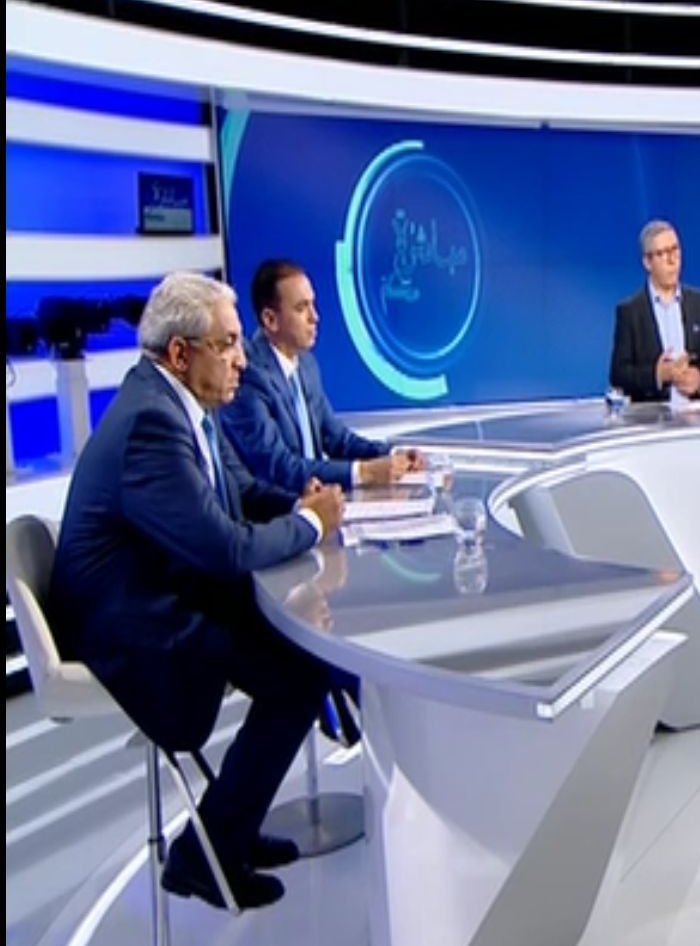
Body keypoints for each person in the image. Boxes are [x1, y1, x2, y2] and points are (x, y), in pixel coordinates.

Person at [50, 272, 348, 909]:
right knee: (296, 676)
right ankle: (205, 856)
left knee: (301, 653)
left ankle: (227, 834)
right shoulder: (152, 424)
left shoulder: (184, 404)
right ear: (181, 353)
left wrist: (302, 504)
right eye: (228, 344)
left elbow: (240, 495)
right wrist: (308, 525)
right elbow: (223, 549)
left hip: (163, 590)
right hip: (132, 624)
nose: (242, 360)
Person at [223, 258, 423, 492]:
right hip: (283, 507)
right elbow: (279, 467)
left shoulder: (306, 363)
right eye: (301, 308)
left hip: (321, 500)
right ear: (270, 320)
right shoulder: (249, 376)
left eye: (313, 305)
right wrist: (365, 472)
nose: (315, 317)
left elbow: (337, 440)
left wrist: (393, 454)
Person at [610, 221, 700, 404]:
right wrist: (657, 375)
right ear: (647, 262)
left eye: (675, 250)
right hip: (652, 418)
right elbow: (619, 375)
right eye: (663, 253)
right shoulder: (630, 311)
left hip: (694, 414)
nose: (672, 260)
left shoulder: (697, 301)